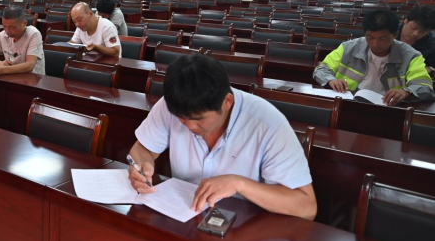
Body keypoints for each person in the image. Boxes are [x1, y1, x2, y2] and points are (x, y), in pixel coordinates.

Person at [127, 54, 317, 220]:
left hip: (246, 227)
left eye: (199, 119)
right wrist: (142, 166)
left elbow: (307, 207)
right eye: (181, 119)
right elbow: (142, 149)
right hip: (186, 216)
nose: (190, 127)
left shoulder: (269, 126)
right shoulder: (172, 105)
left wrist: (240, 184)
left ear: (227, 102)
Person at [313, 10, 434, 104]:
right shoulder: (349, 47)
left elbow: (425, 88)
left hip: (388, 107)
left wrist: (405, 92)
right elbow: (321, 69)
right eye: (370, 37)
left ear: (395, 34)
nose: (375, 44)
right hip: (349, 102)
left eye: (383, 38)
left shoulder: (411, 56)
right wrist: (331, 80)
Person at [0, 6, 45, 75]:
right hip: (11, 75)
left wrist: (3, 70)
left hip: (33, 77)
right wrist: (0, 64)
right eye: (4, 26)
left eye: (12, 27)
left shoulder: (34, 34)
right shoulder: (3, 35)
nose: (7, 31)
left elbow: (30, 65)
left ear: (24, 23)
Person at [398, 5, 435, 76]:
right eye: (413, 28)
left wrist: (430, 69)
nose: (416, 34)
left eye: (422, 31)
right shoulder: (389, 34)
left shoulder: (432, 43)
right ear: (405, 20)